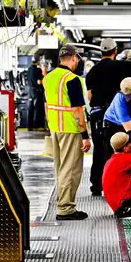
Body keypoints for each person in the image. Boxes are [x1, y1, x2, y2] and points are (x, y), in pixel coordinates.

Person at [85, 38, 131, 196]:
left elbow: (90, 97)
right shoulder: (120, 69)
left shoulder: (92, 71)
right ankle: (116, 186)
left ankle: (97, 186)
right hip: (112, 120)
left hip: (96, 114)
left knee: (100, 152)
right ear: (115, 51)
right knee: (121, 152)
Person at [42, 45, 91, 220]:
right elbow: (78, 110)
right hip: (70, 130)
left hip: (55, 129)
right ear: (73, 58)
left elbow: (47, 106)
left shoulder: (48, 78)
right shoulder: (72, 79)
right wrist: (85, 136)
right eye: (77, 59)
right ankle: (65, 209)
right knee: (71, 170)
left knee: (61, 170)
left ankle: (63, 203)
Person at [27, 56, 46, 130]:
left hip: (30, 91)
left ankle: (29, 126)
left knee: (30, 108)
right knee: (38, 109)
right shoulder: (38, 70)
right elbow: (39, 81)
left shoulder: (29, 69)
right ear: (38, 61)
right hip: (37, 92)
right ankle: (37, 126)